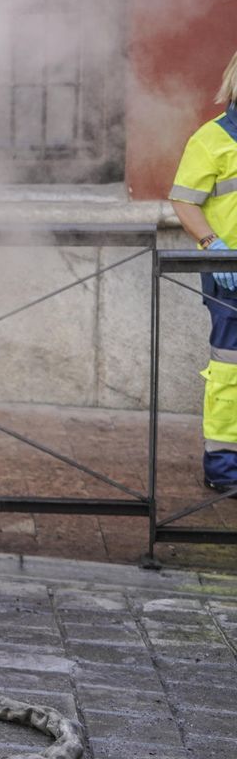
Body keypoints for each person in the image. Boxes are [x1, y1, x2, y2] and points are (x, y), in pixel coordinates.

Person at [170, 49, 237, 490]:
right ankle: (225, 469)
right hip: (231, 277)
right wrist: (214, 247)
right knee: (231, 369)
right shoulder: (210, 139)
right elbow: (184, 200)